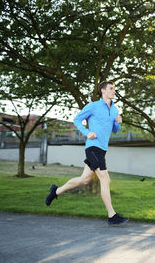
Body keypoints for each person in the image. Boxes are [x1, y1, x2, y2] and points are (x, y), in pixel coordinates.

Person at [46, 81, 129, 226]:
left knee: (84, 180)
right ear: (103, 91)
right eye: (111, 89)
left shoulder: (115, 110)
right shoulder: (93, 106)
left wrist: (118, 123)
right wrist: (86, 132)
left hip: (102, 149)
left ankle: (56, 191)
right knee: (105, 179)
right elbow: (77, 119)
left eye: (114, 89)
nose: (114, 91)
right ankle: (112, 215)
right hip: (93, 147)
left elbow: (115, 130)